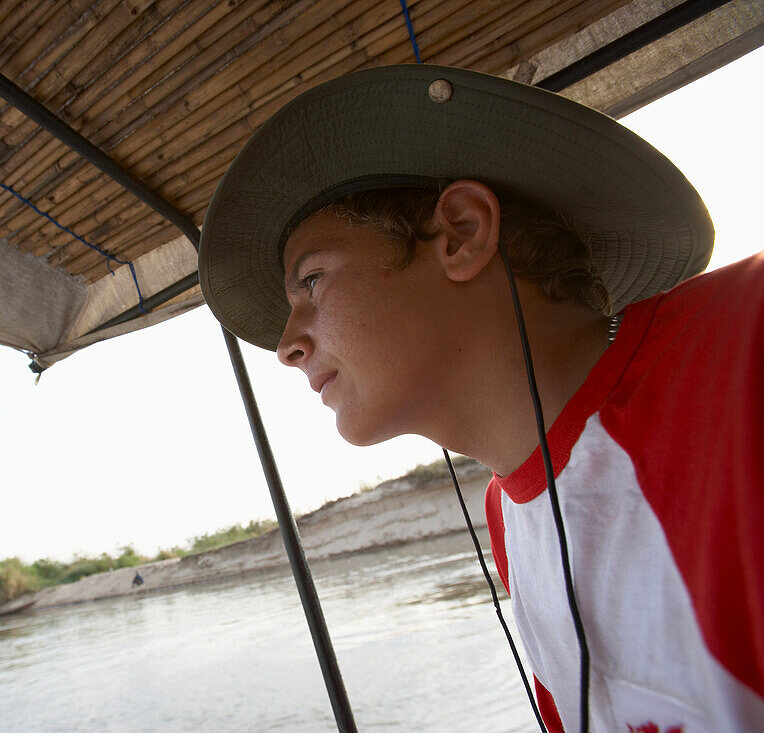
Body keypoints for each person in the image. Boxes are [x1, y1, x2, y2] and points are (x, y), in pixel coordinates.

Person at [197, 64, 763, 732]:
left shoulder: (743, 340)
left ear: (462, 233)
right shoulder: (507, 512)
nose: (287, 346)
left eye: (312, 281)